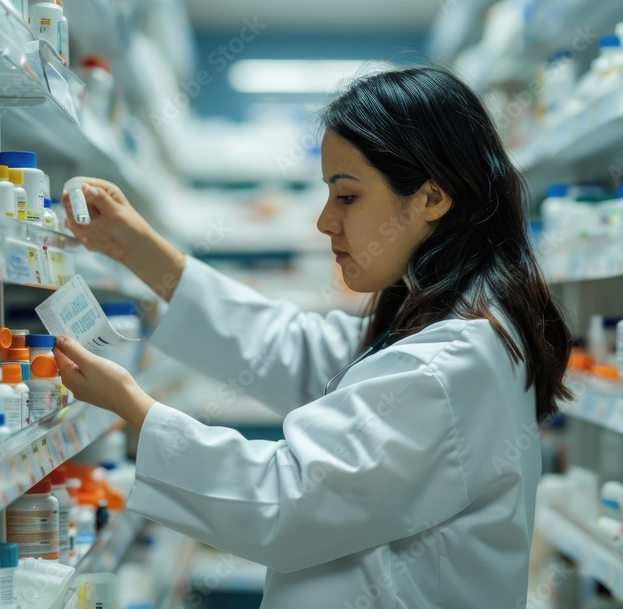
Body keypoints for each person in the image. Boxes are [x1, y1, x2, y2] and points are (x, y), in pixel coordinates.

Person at [54, 64, 572, 608]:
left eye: (347, 196)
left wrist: (134, 407)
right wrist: (136, 247)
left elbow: (287, 502)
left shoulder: (447, 362)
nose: (325, 221)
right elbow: (288, 347)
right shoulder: (439, 325)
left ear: (431, 198)